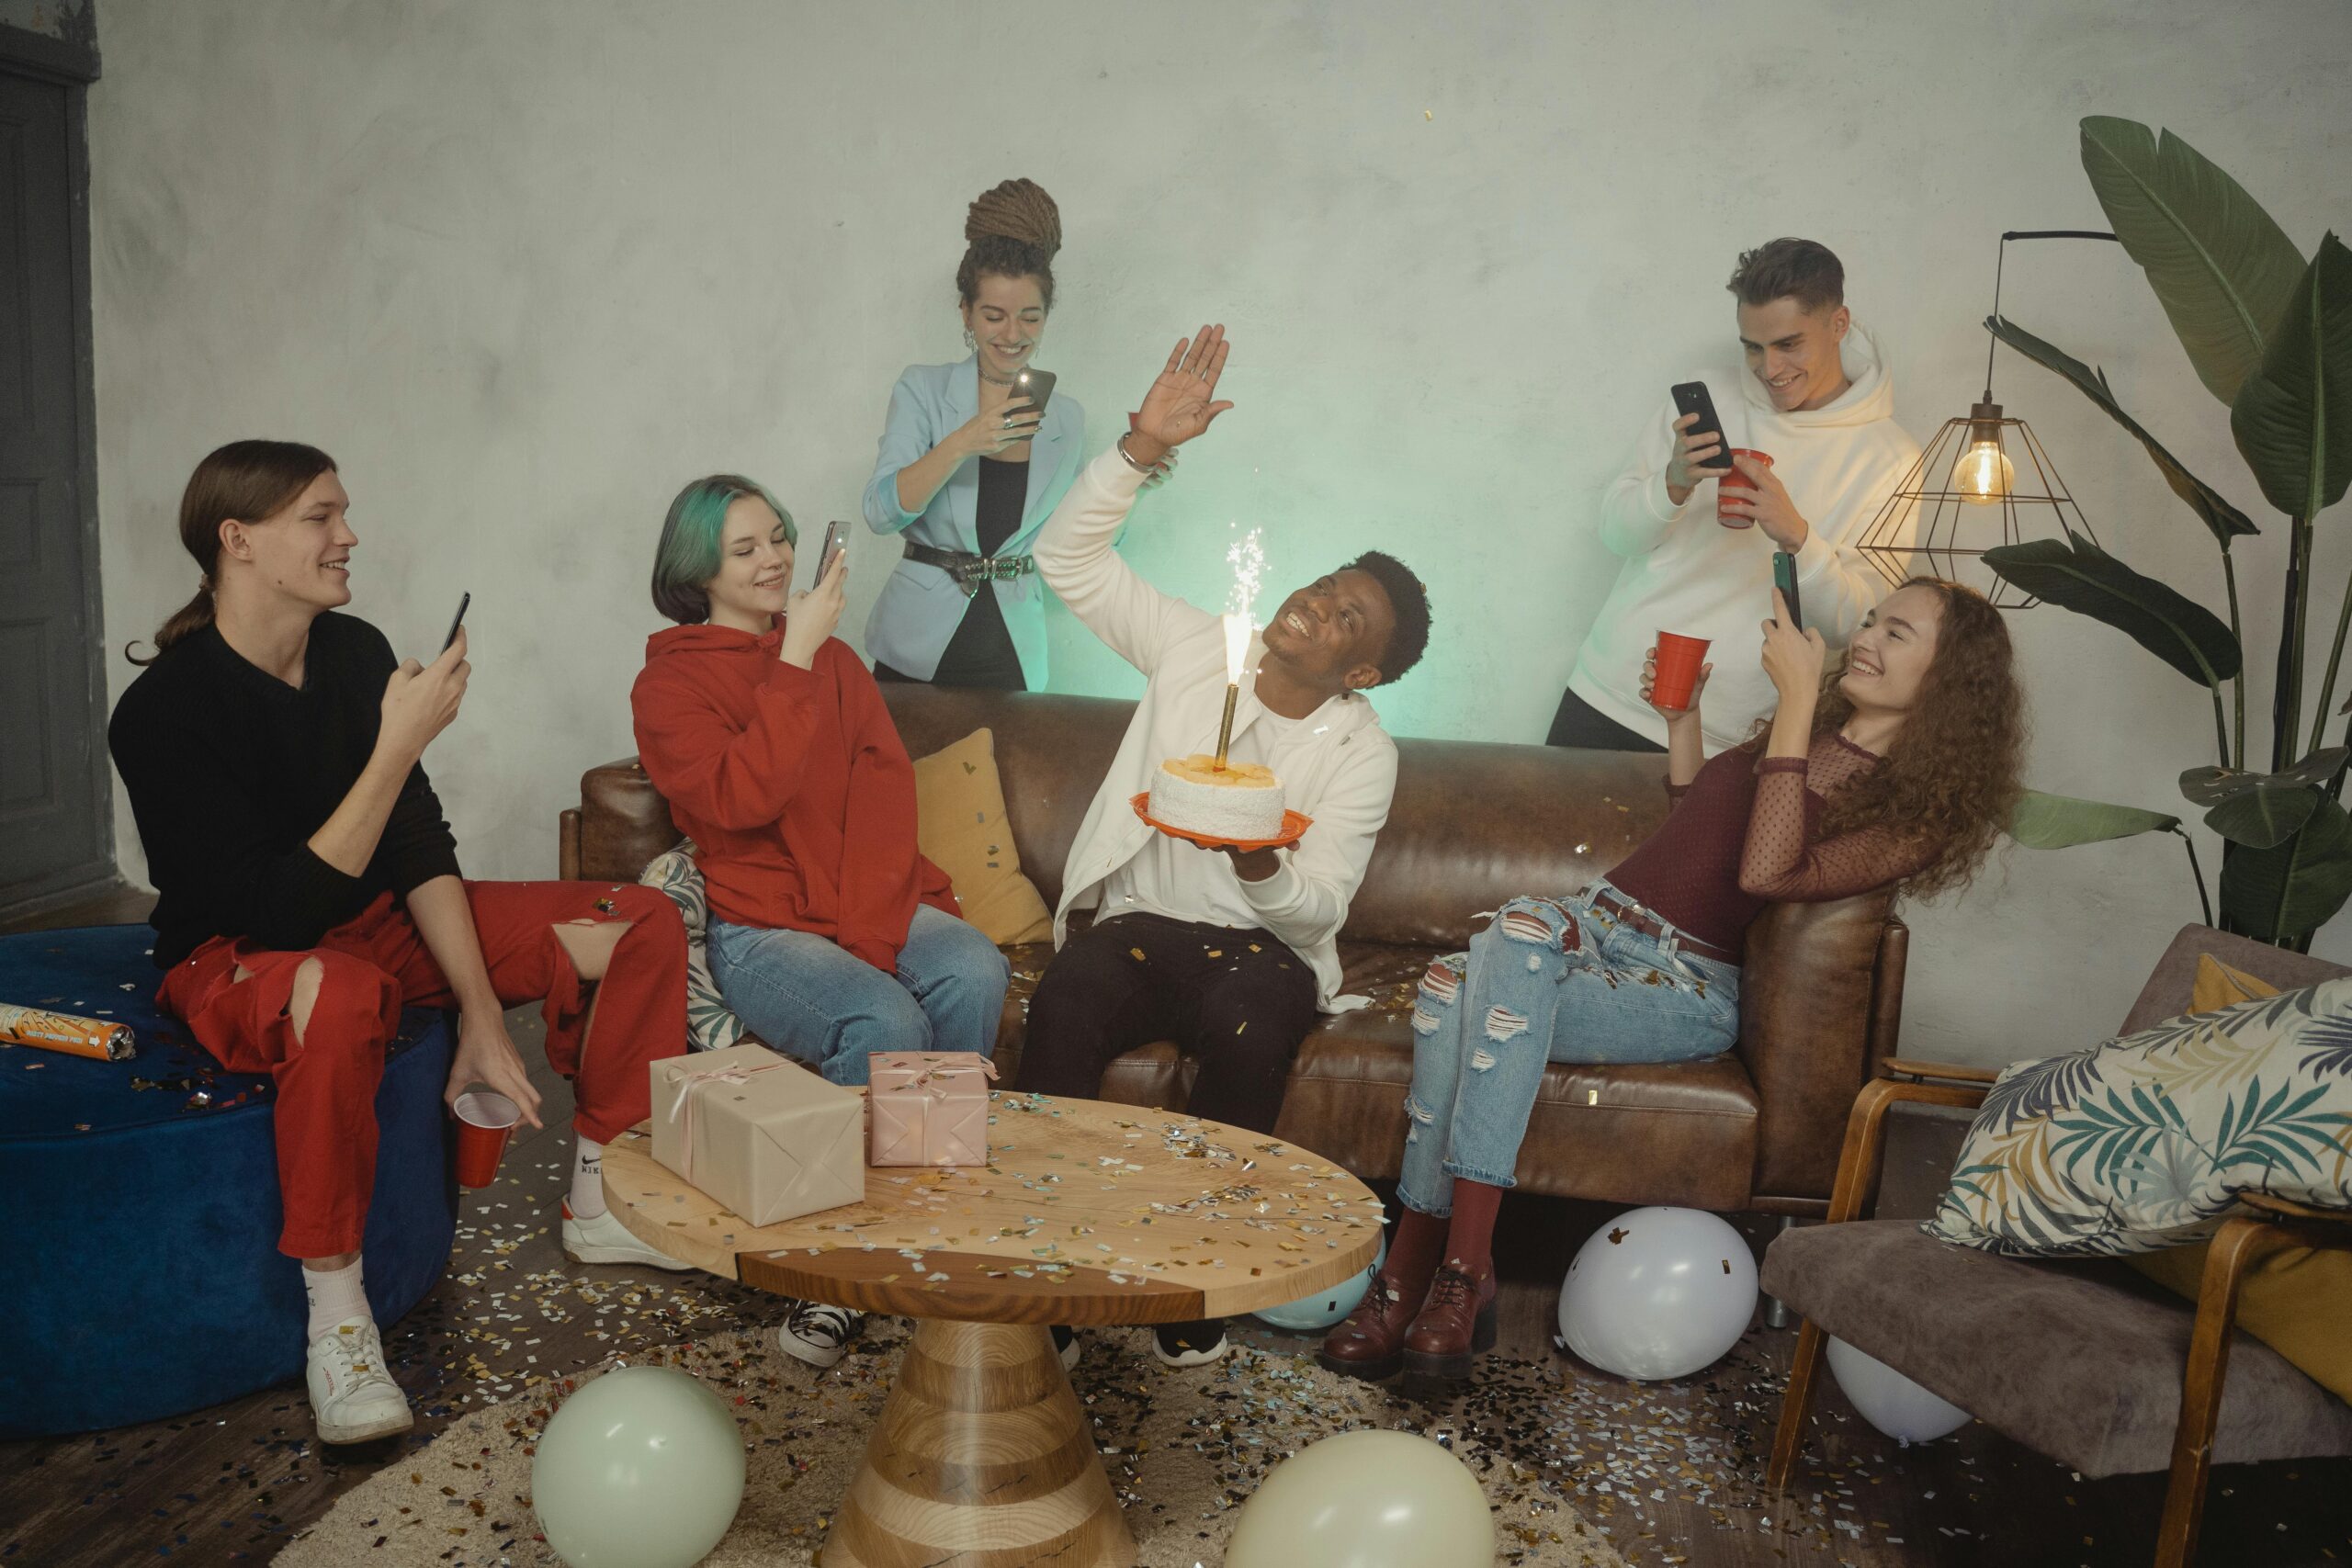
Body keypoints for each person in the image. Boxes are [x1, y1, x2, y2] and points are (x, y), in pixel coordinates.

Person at [107, 442, 694, 1447]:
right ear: (237, 540)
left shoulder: (353, 649)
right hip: (243, 955)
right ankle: (338, 1323)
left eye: (344, 513)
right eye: (321, 517)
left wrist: (481, 1016)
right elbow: (281, 913)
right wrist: (397, 746)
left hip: (376, 926)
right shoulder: (163, 713)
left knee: (640, 919)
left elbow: (416, 842)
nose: (350, 536)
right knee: (339, 992)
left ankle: (602, 1197)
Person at [1327, 576, 2023, 1393]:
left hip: (1681, 982)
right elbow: (1708, 827)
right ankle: (1435, 1272)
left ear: (1949, 677)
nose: (1864, 637)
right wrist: (1684, 720)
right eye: (1870, 619)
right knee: (1453, 979)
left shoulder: (1912, 814)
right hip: (1592, 926)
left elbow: (1769, 872)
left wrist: (1797, 701)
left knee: (1502, 946)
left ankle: (1440, 1267)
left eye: (1895, 632)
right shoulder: (1809, 732)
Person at [1017, 326, 1434, 1369]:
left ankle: (1186, 1282)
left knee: (1253, 1038)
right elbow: (1063, 560)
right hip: (1138, 925)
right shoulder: (1196, 645)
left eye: (1347, 618)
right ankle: (1049, 1282)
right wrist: (1143, 448)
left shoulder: (1359, 750)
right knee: (1063, 1004)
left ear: (1363, 674)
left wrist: (1258, 859)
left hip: (1258, 950)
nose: (1316, 604)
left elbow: (1320, 907)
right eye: (1325, 585)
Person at [630, 472, 1010, 1369]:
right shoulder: (668, 686)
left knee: (973, 967)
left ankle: (919, 1226)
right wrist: (792, 659)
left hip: (862, 898)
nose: (774, 559)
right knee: (883, 1018)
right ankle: (833, 1270)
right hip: (761, 925)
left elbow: (882, 801)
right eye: (745, 548)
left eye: (780, 537)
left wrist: (871, 932)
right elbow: (740, 800)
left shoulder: (836, 663)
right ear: (697, 571)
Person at [1548, 238, 1923, 753]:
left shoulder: (1892, 458)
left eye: (1788, 345)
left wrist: (1797, 536)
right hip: (1609, 690)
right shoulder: (1707, 395)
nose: (1769, 368)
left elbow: (1854, 626)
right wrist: (1673, 484)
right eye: (1753, 347)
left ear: (1839, 324)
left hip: (1732, 733)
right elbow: (1617, 535)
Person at [862, 178, 1135, 690]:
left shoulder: (1066, 417)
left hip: (1012, 652)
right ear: (966, 313)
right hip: (912, 650)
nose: (1013, 335)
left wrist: (1134, 475)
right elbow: (880, 512)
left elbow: (1083, 537)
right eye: (994, 316)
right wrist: (964, 442)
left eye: (1030, 317)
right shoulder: (923, 389)